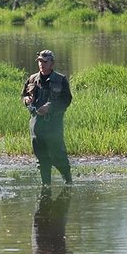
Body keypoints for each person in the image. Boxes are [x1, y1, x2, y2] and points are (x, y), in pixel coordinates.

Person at [21, 49, 73, 186]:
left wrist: (49, 107)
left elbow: (66, 100)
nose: (41, 64)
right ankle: (46, 187)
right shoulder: (32, 79)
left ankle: (68, 183)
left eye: (45, 62)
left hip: (53, 127)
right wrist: (26, 99)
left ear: (52, 63)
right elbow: (24, 95)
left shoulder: (60, 80)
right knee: (42, 160)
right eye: (39, 61)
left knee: (58, 157)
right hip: (36, 126)